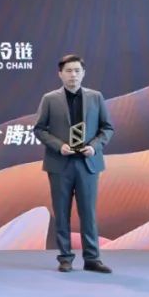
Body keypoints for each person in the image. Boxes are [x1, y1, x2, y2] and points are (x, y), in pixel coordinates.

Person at [34, 55, 114, 273]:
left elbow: (107, 128)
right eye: (69, 71)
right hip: (60, 163)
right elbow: (39, 129)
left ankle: (92, 258)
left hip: (88, 163)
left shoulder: (96, 97)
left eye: (77, 70)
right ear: (60, 74)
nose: (73, 75)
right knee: (62, 213)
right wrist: (58, 145)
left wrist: (94, 147)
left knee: (88, 213)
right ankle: (65, 258)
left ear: (83, 73)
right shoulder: (50, 99)